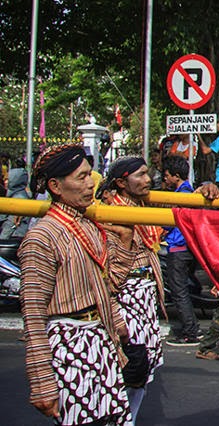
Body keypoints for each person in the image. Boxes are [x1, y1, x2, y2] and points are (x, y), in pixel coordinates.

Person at [18, 144, 134, 425]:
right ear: (55, 186)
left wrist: (125, 239)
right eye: (81, 177)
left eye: (89, 175)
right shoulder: (42, 237)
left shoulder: (89, 226)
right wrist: (42, 381)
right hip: (70, 347)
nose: (90, 183)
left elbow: (109, 285)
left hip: (100, 341)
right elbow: (33, 316)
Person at [98, 157, 165, 424]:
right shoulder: (111, 214)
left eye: (148, 173)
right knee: (127, 371)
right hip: (125, 299)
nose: (148, 180)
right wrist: (115, 316)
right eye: (141, 175)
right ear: (121, 183)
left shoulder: (141, 207)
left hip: (144, 298)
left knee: (139, 373)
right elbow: (106, 275)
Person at [160, 155, 201, 347]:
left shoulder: (183, 195)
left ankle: (190, 331)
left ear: (176, 176)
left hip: (179, 247)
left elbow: (172, 222)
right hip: (184, 247)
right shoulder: (185, 192)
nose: (165, 178)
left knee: (179, 291)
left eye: (167, 175)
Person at [0, 158, 31, 238]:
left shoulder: (19, 199)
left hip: (13, 238)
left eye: (7, 179)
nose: (5, 181)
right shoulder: (14, 195)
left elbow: (10, 225)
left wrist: (2, 240)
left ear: (14, 180)